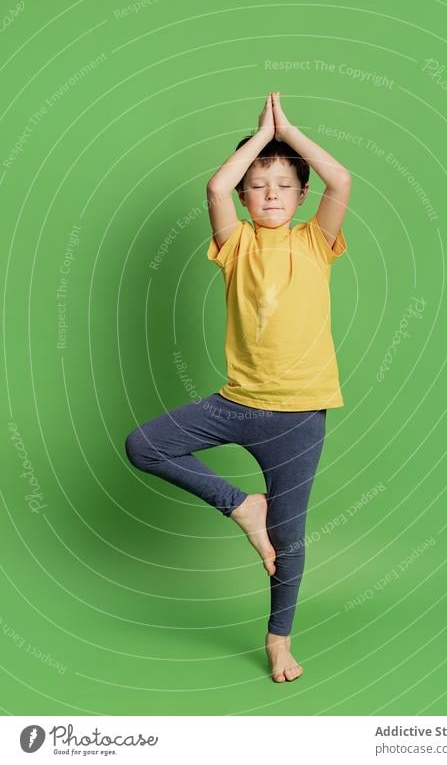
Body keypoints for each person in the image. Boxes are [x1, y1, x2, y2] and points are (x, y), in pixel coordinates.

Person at [125, 92, 351, 682]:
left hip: (300, 415)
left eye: (282, 184)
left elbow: (340, 178)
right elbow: (214, 189)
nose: (271, 193)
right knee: (144, 445)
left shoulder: (315, 242)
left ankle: (279, 640)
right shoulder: (237, 245)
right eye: (258, 184)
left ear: (302, 197)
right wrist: (258, 139)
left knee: (290, 539)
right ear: (245, 196)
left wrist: (289, 132)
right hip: (237, 404)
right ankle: (242, 506)